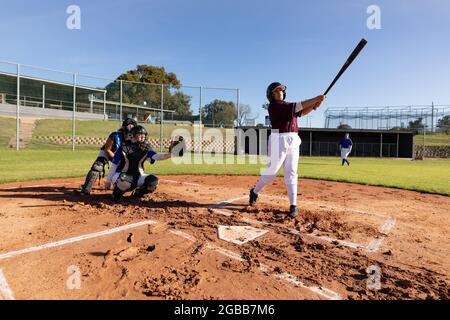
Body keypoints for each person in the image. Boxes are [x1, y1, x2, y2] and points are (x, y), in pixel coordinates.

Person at [249, 82, 325, 218]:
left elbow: (301, 112)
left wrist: (314, 106)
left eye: (282, 90)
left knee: (291, 172)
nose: (281, 92)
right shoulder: (274, 106)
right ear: (271, 95)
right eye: (277, 90)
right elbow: (299, 106)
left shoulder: (287, 106)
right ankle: (254, 191)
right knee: (271, 173)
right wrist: (316, 99)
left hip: (293, 139)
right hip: (278, 140)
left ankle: (293, 204)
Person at [107, 125, 183, 201]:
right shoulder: (124, 147)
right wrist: (108, 181)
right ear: (132, 136)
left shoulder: (146, 148)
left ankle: (138, 193)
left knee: (153, 181)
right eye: (139, 136)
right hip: (120, 175)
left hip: (138, 176)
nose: (142, 138)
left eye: (143, 136)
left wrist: (171, 154)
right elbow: (114, 165)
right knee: (124, 179)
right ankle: (116, 194)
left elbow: (156, 157)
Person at [79, 118, 137, 195]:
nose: (130, 128)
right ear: (123, 127)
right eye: (129, 126)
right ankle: (86, 188)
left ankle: (132, 188)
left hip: (122, 156)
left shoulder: (134, 139)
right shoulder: (115, 135)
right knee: (97, 166)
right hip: (107, 152)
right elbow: (107, 149)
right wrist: (116, 160)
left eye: (132, 126)